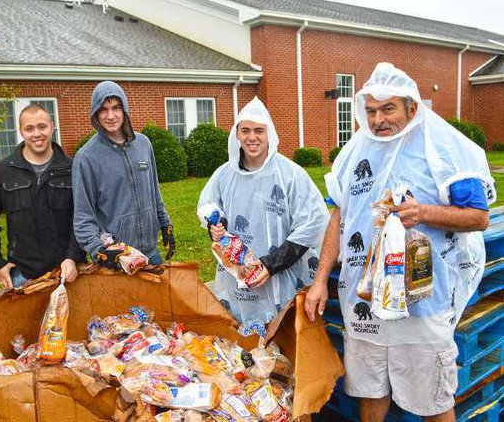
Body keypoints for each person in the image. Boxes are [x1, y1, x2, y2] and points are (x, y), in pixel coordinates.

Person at [304, 63, 496, 422]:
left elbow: (479, 217)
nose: (378, 119)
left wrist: (423, 212)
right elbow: (338, 218)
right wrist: (319, 282)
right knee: (368, 388)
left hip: (423, 300)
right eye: (371, 110)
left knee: (434, 400)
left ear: (411, 107)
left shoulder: (441, 147)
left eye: (388, 108)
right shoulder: (354, 152)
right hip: (363, 300)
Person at [197, 97, 330, 325]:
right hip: (238, 282)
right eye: (245, 130)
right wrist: (216, 227)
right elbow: (210, 207)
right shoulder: (224, 175)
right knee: (244, 343)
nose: (252, 137)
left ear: (269, 134)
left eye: (259, 130)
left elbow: (312, 223)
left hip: (283, 277)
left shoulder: (290, 175)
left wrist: (270, 264)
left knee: (284, 339)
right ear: (236, 135)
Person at [0, 104, 86, 289]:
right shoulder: (3, 171)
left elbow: (84, 219)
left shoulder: (72, 168)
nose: (37, 134)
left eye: (42, 126)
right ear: (21, 131)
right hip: (22, 275)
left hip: (69, 272)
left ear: (52, 126)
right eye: (29, 128)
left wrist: (73, 257)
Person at [72, 81, 174, 266]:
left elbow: (154, 191)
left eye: (116, 108)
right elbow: (83, 217)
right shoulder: (86, 158)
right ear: (95, 113)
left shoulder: (143, 144)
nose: (110, 116)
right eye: (103, 109)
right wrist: (99, 251)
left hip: (151, 254)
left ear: (124, 110)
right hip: (118, 259)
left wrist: (165, 223)